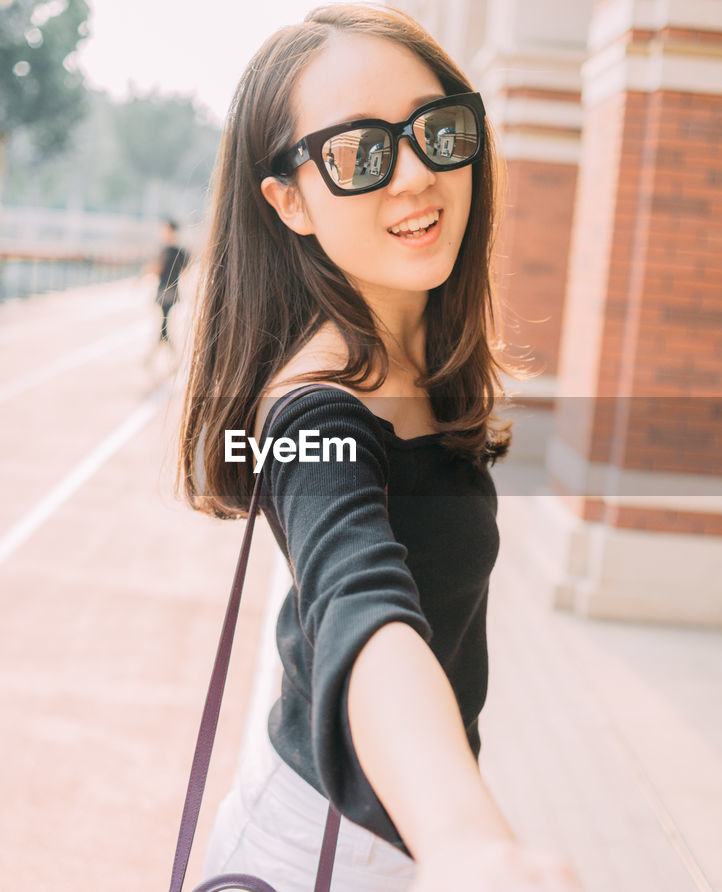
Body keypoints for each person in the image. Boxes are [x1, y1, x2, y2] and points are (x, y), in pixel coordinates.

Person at [177, 6, 581, 891]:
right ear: (289, 201)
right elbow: (362, 610)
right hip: (331, 849)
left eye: (437, 132)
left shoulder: (420, 358)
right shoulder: (315, 410)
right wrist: (469, 841)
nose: (415, 176)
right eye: (358, 153)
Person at [142, 218, 190, 365]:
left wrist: (145, 273)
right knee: (164, 323)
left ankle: (161, 356)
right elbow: (185, 270)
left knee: (164, 325)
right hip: (172, 290)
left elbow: (157, 269)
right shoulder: (181, 251)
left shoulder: (166, 250)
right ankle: (165, 356)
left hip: (165, 290)